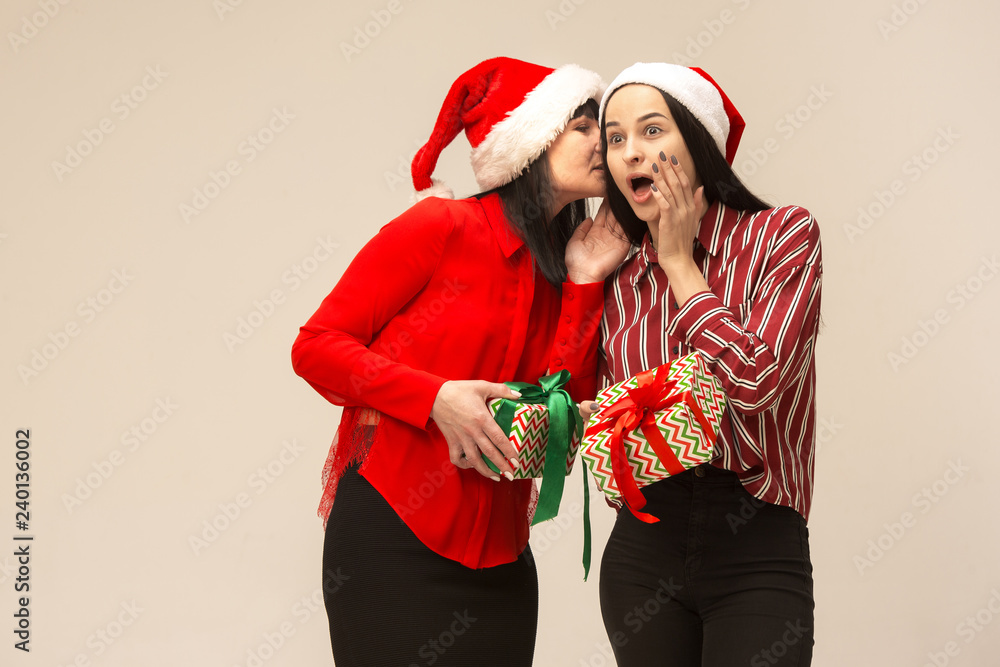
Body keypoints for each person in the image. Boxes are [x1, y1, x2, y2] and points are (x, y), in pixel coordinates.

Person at [291, 57, 629, 666]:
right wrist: (434, 398)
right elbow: (316, 347)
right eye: (583, 125)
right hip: (391, 536)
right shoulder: (440, 226)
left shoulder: (568, 266)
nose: (602, 140)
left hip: (500, 558)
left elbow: (563, 416)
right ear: (532, 140)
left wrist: (583, 281)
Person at [592, 63, 821, 666]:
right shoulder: (617, 271)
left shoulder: (783, 236)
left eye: (651, 131)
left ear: (698, 140)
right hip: (643, 547)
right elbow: (588, 412)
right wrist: (584, 278)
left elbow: (757, 385)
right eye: (615, 139)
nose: (631, 152)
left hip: (756, 539)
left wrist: (680, 266)